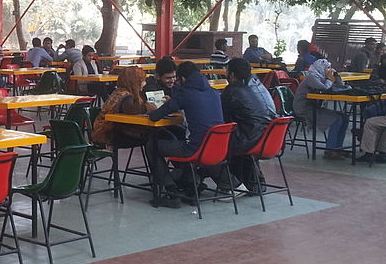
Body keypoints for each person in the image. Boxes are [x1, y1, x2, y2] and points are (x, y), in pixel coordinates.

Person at [146, 62, 225, 208]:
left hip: (195, 149)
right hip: (216, 148)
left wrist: (152, 109)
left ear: (182, 79)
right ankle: (191, 186)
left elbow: (155, 116)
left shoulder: (186, 92)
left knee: (152, 145)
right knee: (181, 136)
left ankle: (171, 191)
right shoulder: (214, 92)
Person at [221, 58, 276, 190]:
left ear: (231, 74)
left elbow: (222, 118)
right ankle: (252, 181)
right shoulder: (259, 85)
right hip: (270, 139)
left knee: (216, 139)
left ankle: (232, 183)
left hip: (249, 140)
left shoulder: (232, 91)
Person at [293, 57, 349, 160]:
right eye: (328, 68)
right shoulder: (311, 78)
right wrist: (329, 79)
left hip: (314, 107)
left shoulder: (322, 77)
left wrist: (336, 76)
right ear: (321, 68)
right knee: (337, 119)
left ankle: (338, 148)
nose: (330, 70)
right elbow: (324, 88)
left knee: (344, 117)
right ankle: (330, 150)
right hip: (304, 108)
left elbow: (340, 87)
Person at [92, 66, 156, 149]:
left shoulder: (119, 92)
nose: (145, 83)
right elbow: (131, 110)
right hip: (111, 134)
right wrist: (148, 107)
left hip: (106, 131)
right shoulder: (126, 96)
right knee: (153, 136)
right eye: (143, 81)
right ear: (135, 82)